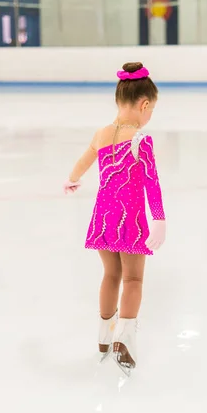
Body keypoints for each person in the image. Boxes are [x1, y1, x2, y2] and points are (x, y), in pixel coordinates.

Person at [63, 62, 166, 376]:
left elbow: (85, 158)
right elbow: (152, 183)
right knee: (133, 279)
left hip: (104, 217)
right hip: (131, 220)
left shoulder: (102, 133)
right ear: (144, 104)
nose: (150, 117)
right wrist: (159, 219)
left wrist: (73, 178)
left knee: (111, 275)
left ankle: (103, 338)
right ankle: (125, 339)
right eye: (151, 111)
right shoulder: (140, 141)